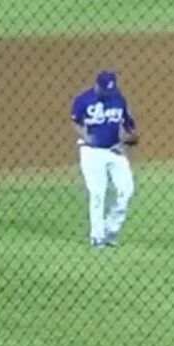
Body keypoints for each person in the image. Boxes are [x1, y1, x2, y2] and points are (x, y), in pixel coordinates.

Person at [69, 70, 139, 248]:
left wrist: (131, 137)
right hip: (91, 152)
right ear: (97, 85)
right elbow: (75, 121)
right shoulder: (83, 100)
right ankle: (97, 236)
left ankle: (111, 230)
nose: (108, 94)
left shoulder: (118, 98)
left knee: (126, 190)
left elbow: (128, 123)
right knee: (97, 193)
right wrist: (85, 135)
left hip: (115, 150)